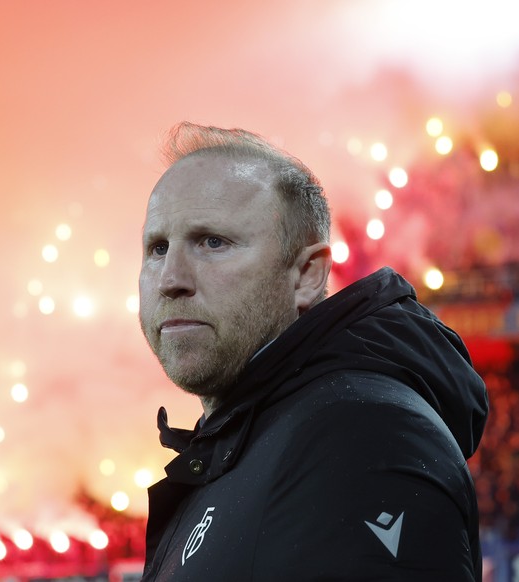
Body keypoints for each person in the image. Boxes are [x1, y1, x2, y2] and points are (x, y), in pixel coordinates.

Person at [137, 122, 489, 581]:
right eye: (157, 248)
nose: (170, 278)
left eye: (213, 242)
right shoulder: (253, 440)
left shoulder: (362, 436)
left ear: (305, 275)